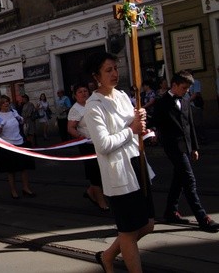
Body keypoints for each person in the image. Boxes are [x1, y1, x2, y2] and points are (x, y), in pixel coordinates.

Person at [84, 52, 154, 273]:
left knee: (147, 224)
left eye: (115, 68)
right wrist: (130, 129)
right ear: (97, 76)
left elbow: (132, 126)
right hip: (119, 172)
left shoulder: (122, 95)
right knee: (128, 231)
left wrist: (138, 119)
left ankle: (107, 255)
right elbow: (103, 145)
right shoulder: (93, 105)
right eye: (108, 70)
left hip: (137, 162)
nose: (115, 73)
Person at [153, 71, 219, 233]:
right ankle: (202, 218)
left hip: (186, 146)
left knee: (179, 178)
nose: (186, 91)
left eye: (188, 89)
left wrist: (194, 147)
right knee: (189, 181)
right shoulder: (162, 102)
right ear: (174, 85)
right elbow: (155, 123)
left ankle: (170, 211)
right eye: (183, 88)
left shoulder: (185, 99)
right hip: (173, 147)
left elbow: (190, 125)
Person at [67, 84, 109, 211]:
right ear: (75, 95)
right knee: (95, 173)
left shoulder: (92, 103)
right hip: (88, 146)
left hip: (100, 142)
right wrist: (82, 137)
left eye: (85, 91)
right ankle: (101, 202)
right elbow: (70, 128)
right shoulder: (76, 109)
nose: (83, 93)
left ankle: (91, 192)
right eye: (80, 91)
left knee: (104, 170)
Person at [0, 95, 36, 200]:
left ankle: (26, 188)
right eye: (4, 102)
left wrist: (19, 118)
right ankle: (13, 191)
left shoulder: (13, 112)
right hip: (8, 145)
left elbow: (22, 123)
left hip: (20, 142)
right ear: (0, 105)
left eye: (7, 101)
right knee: (11, 170)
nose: (6, 104)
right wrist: (1, 127)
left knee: (24, 168)